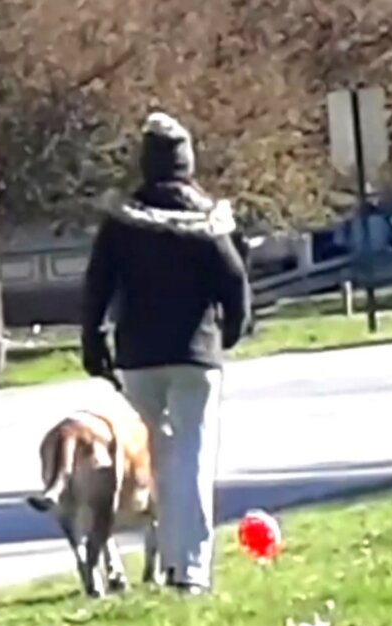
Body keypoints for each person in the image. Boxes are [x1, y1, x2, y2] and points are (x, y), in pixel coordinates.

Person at [80, 111, 251, 596]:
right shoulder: (207, 218)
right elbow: (234, 277)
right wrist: (233, 328)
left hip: (139, 355)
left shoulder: (122, 221)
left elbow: (97, 286)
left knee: (154, 458)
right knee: (193, 457)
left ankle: (162, 559)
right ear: (187, 163)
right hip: (196, 355)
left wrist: (93, 340)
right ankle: (189, 568)